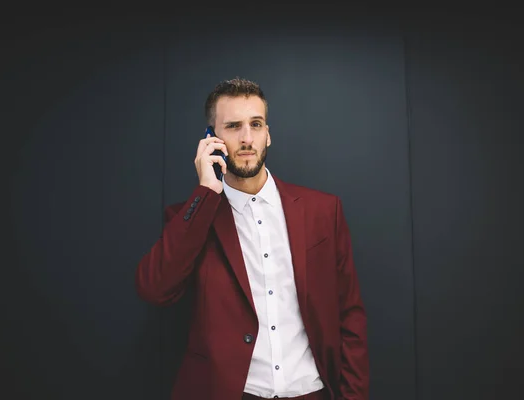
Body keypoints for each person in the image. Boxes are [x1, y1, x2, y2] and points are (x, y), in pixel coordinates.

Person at [135, 77, 369, 399]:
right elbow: (155, 288)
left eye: (256, 124)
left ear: (268, 134)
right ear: (211, 139)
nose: (247, 139)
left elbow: (350, 315)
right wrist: (205, 193)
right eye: (233, 126)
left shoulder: (323, 211)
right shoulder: (190, 217)